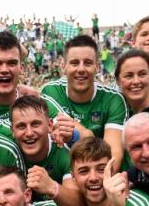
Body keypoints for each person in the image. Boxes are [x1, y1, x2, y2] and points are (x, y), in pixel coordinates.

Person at [41, 35, 128, 167]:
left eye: (87, 63)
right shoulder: (50, 92)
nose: (81, 69)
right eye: (74, 63)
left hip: (96, 174)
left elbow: (113, 156)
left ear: (97, 67)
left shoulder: (113, 99)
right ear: (63, 66)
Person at [9, 95, 82, 206]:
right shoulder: (8, 151)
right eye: (21, 126)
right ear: (12, 130)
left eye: (35, 124)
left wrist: (52, 187)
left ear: (49, 125)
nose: (29, 133)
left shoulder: (64, 152)